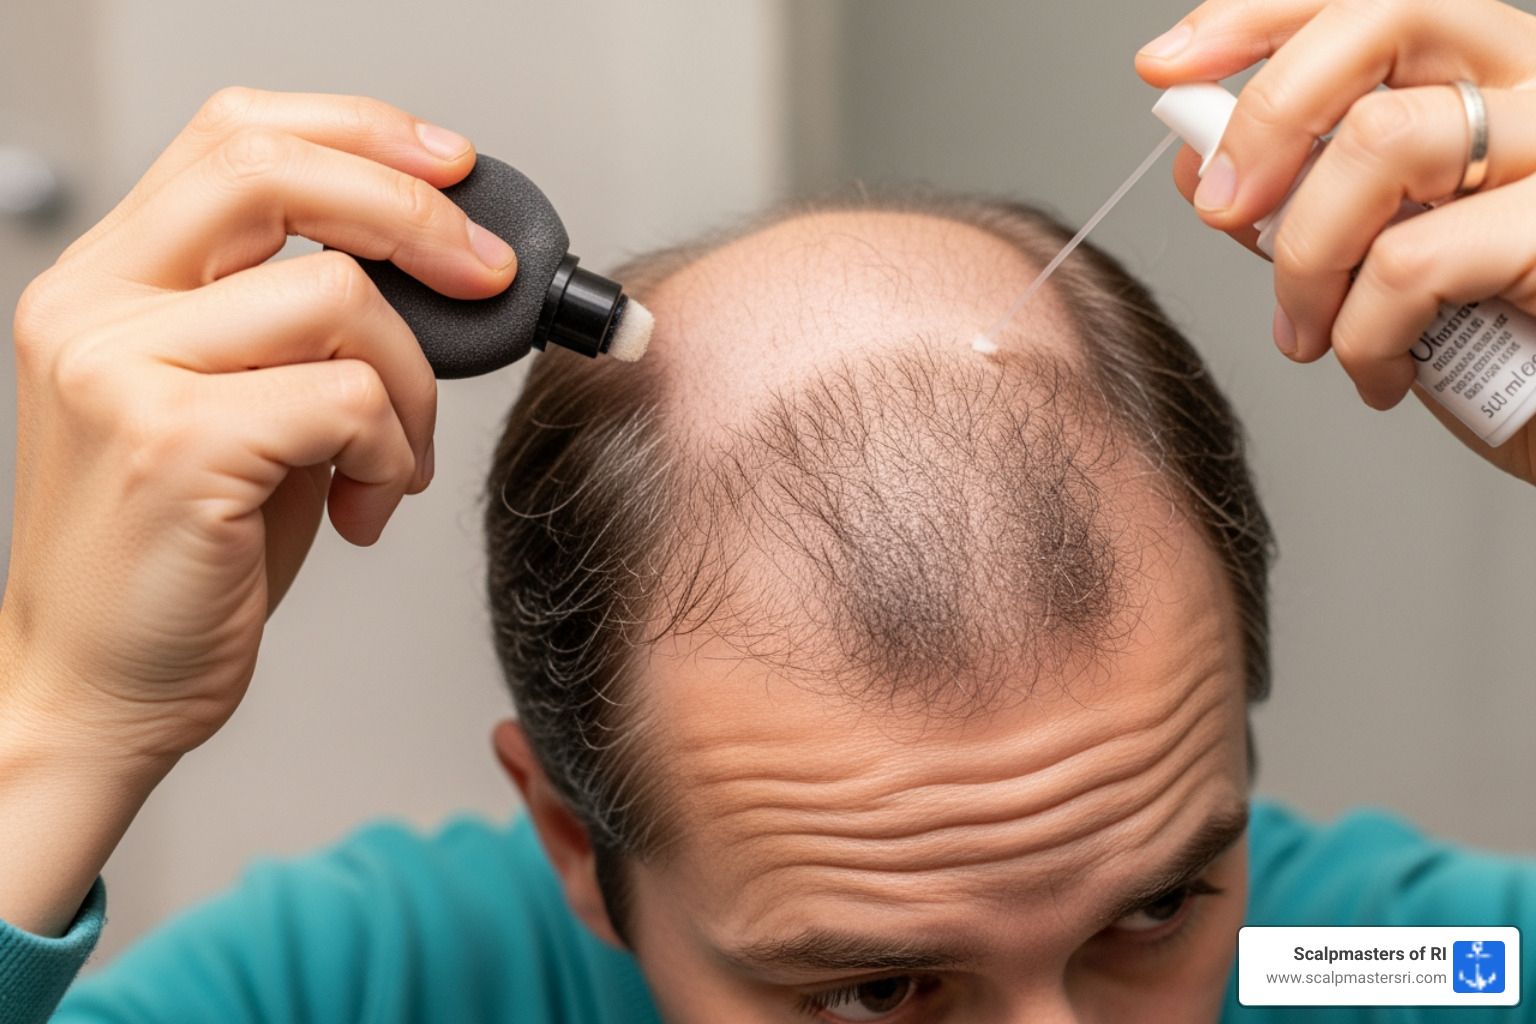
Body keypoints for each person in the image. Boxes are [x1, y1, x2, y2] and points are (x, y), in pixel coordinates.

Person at [2, 0, 1533, 1021]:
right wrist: (58, 729)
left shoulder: (1354, 964)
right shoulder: (365, 992)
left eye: (1153, 913)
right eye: (878, 994)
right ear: (572, 842)